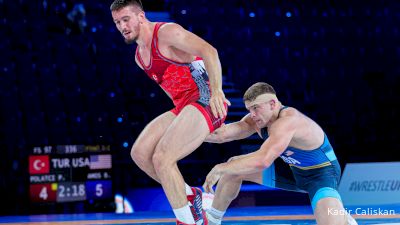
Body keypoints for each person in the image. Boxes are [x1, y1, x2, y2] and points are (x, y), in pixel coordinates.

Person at [110, 1, 230, 224]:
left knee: (163, 158)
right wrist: (184, 120)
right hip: (185, 105)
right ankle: (189, 195)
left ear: (141, 16)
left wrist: (217, 93)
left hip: (205, 99)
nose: (122, 26)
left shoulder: (166, 32)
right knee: (140, 153)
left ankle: (187, 221)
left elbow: (209, 51)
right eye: (117, 22)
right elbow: (170, 90)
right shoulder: (139, 57)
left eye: (126, 19)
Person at [202, 82, 357, 225]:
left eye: (256, 107)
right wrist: (191, 132)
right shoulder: (257, 120)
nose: (252, 114)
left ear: (272, 104)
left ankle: (343, 217)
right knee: (234, 167)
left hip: (321, 175)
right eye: (249, 109)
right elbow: (223, 135)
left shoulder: (288, 121)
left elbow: (263, 160)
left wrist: (219, 168)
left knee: (331, 223)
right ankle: (212, 220)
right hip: (291, 170)